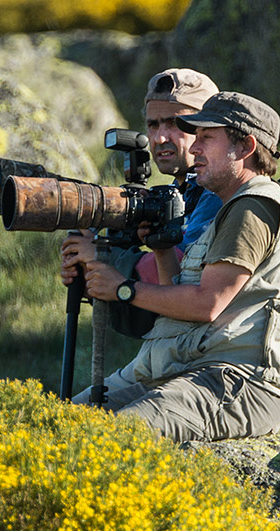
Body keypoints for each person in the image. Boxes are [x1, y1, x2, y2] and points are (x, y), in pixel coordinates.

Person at [71, 91, 280, 442]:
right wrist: (163, 252)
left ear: (245, 148)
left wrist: (124, 288)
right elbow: (181, 306)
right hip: (192, 370)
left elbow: (207, 304)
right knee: (59, 423)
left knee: (115, 438)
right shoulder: (229, 210)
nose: (194, 149)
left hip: (238, 382)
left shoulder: (253, 208)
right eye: (195, 138)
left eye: (207, 138)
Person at [60, 68, 223, 337]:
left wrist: (99, 256)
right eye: (153, 124)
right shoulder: (177, 192)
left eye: (174, 123)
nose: (159, 138)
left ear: (207, 128)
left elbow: (176, 275)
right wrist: (88, 272)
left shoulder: (219, 192)